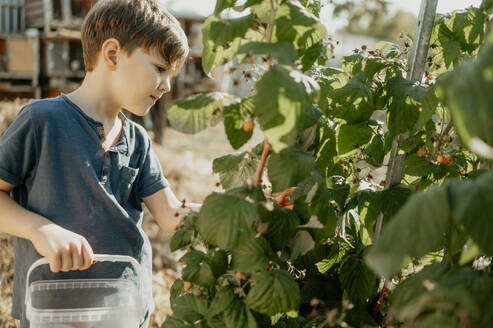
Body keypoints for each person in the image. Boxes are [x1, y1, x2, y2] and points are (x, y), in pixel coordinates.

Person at [0, 0, 200, 327]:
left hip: (123, 305)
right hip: (50, 308)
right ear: (112, 54)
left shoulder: (138, 140)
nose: (166, 86)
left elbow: (171, 216)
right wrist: (40, 230)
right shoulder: (42, 120)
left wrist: (243, 207)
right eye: (160, 68)